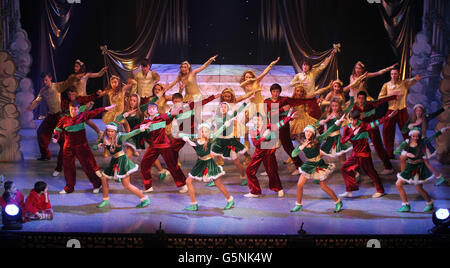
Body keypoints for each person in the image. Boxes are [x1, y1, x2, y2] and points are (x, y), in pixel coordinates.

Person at [53, 102, 116, 194]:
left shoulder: (82, 116)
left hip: (81, 146)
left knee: (87, 166)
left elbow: (95, 111)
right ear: (69, 109)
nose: (73, 112)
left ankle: (97, 183)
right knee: (68, 167)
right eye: (71, 109)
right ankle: (69, 187)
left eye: (75, 109)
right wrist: (56, 137)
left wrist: (106, 108)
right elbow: (57, 129)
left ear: (78, 109)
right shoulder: (64, 119)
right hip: (68, 147)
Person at [290, 114, 347, 213]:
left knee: (323, 186)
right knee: (299, 185)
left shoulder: (318, 140)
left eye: (310, 132)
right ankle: (298, 204)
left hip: (318, 165)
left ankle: (338, 202)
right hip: (308, 165)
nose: (307, 133)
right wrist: (302, 146)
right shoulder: (302, 142)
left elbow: (329, 131)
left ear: (313, 133)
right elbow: (293, 154)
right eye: (306, 131)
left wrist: (338, 122)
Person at [339, 110, 398, 199]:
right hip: (355, 154)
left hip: (364, 154)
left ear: (358, 119)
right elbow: (342, 141)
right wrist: (352, 135)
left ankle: (380, 190)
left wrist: (388, 116)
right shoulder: (347, 127)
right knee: (344, 168)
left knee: (371, 172)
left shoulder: (364, 125)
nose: (352, 122)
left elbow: (376, 122)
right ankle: (350, 190)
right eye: (350, 120)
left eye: (354, 120)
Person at [94, 122, 151, 209]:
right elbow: (100, 143)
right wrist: (98, 146)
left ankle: (144, 198)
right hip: (114, 160)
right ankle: (105, 199)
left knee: (127, 185)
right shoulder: (105, 137)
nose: (110, 133)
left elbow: (130, 134)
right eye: (108, 131)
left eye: (112, 131)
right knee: (104, 178)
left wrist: (141, 129)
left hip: (122, 161)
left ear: (115, 131)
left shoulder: (119, 137)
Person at [394, 127, 450, 212]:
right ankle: (406, 204)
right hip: (409, 167)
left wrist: (443, 130)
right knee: (398, 184)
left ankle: (429, 202)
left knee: (419, 189)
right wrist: (407, 153)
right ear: (411, 135)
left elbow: (433, 136)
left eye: (417, 136)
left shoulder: (422, 142)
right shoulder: (407, 142)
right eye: (414, 136)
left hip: (418, 168)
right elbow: (396, 151)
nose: (415, 138)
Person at [181, 123, 234, 211]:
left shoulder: (209, 140)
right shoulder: (195, 140)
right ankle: (193, 204)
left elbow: (218, 132)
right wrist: (185, 138)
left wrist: (225, 125)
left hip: (209, 163)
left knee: (217, 183)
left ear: (208, 133)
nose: (203, 133)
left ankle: (230, 200)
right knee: (188, 181)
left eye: (205, 131)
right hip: (200, 163)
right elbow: (182, 135)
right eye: (202, 131)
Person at [244, 111, 298, 198]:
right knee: (249, 170)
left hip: (268, 152)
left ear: (262, 120)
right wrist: (263, 137)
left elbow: (279, 124)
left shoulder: (267, 127)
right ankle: (255, 191)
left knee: (272, 171)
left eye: (258, 120)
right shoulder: (252, 130)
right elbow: (256, 144)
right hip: (259, 152)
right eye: (254, 120)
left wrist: (289, 118)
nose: (256, 122)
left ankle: (279, 188)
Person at [264, 83, 313, 175]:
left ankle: (299, 166)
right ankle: (270, 169)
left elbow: (299, 100)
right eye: (274, 91)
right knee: (269, 149)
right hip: (272, 126)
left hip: (283, 126)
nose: (276, 93)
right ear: (271, 92)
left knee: (288, 147)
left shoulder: (284, 99)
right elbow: (269, 114)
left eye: (277, 91)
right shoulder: (266, 101)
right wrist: (281, 110)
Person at [138, 103, 187, 193]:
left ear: (157, 110)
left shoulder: (161, 117)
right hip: (154, 146)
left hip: (165, 145)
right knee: (144, 165)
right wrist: (142, 128)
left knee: (172, 166)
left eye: (153, 108)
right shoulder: (146, 121)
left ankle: (183, 184)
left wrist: (180, 107)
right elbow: (137, 128)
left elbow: (172, 114)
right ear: (148, 111)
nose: (151, 110)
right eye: (150, 109)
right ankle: (148, 187)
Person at [26, 72, 74, 161]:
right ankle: (45, 155)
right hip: (51, 115)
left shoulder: (57, 86)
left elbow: (67, 83)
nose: (45, 82)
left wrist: (73, 77)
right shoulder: (43, 91)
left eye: (46, 80)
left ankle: (68, 155)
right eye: (43, 80)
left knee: (62, 137)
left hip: (59, 116)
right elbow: (37, 101)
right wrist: (29, 108)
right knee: (41, 133)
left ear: (50, 78)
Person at [400, 103, 450, 186]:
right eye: (417, 110)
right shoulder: (411, 120)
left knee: (425, 163)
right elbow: (404, 131)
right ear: (415, 111)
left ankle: (439, 177)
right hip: (413, 144)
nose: (418, 112)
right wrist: (410, 126)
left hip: (422, 144)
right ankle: (406, 178)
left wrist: (444, 108)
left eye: (420, 110)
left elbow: (435, 114)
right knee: (404, 158)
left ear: (422, 111)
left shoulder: (425, 118)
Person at [351, 91, 398, 174]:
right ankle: (356, 168)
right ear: (357, 99)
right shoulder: (355, 106)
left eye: (363, 98)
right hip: (362, 129)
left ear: (365, 99)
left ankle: (389, 167)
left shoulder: (370, 104)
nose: (361, 100)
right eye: (359, 98)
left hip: (372, 127)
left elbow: (382, 100)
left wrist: (393, 96)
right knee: (358, 148)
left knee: (378, 147)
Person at [378, 69, 422, 158]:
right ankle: (389, 153)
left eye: (395, 74)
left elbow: (412, 80)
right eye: (392, 74)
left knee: (407, 131)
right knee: (386, 130)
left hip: (402, 110)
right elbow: (380, 97)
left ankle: (410, 150)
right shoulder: (386, 85)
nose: (393, 76)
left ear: (398, 75)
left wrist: (417, 78)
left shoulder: (404, 83)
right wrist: (391, 96)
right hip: (391, 110)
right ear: (390, 75)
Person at [290, 46, 338, 119]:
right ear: (302, 65)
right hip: (301, 99)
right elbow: (291, 84)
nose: (305, 67)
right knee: (299, 118)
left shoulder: (313, 73)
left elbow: (322, 66)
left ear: (310, 66)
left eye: (307, 65)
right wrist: (299, 82)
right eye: (304, 65)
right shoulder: (298, 75)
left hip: (311, 98)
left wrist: (330, 56)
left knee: (314, 117)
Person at [211, 102, 249, 186]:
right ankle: (214, 179)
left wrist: (248, 100)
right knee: (210, 160)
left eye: (225, 107)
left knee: (236, 161)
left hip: (229, 142)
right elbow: (217, 129)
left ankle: (243, 177)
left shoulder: (230, 116)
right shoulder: (217, 118)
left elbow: (239, 110)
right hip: (219, 142)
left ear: (227, 109)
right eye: (222, 107)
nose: (223, 109)